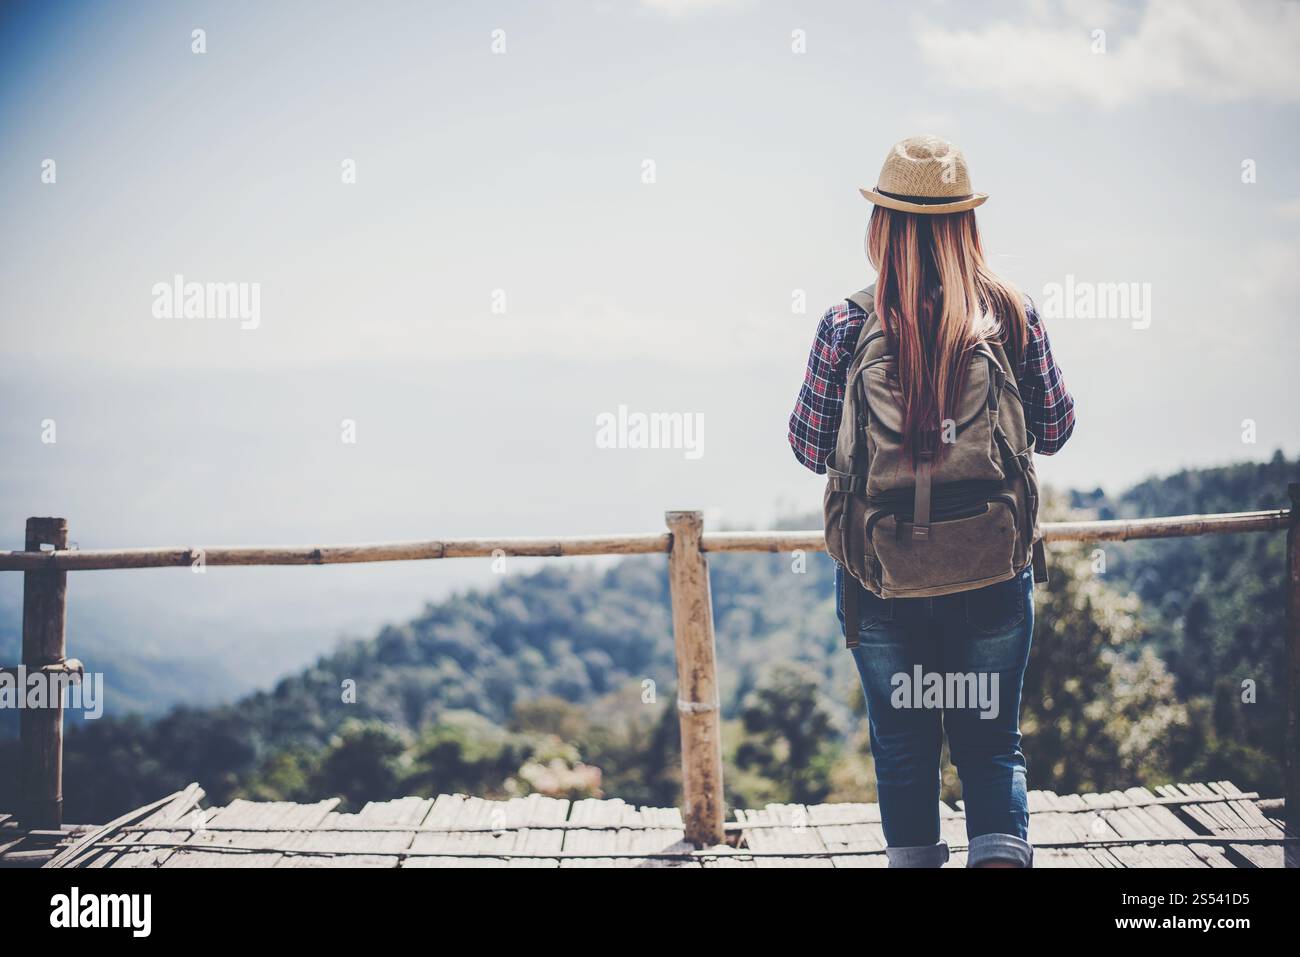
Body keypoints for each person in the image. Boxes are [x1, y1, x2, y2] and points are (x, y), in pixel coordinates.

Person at [788, 135, 1076, 868]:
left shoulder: (846, 324)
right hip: (992, 565)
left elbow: (809, 445)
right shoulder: (1011, 314)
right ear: (966, 223)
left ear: (881, 224)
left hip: (880, 575)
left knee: (904, 741)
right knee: (992, 742)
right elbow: (1055, 428)